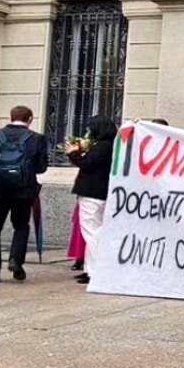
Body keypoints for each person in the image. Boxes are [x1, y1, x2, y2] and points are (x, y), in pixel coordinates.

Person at [0, 105, 49, 283]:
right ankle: (16, 260)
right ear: (30, 119)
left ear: (11, 117)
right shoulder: (37, 138)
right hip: (24, 190)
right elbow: (41, 167)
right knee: (21, 226)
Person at [65, 116, 116, 285]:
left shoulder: (103, 146)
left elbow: (87, 164)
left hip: (93, 193)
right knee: (94, 232)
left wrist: (73, 153)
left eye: (90, 128)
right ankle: (89, 269)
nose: (88, 132)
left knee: (91, 233)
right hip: (99, 193)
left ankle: (97, 271)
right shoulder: (109, 146)